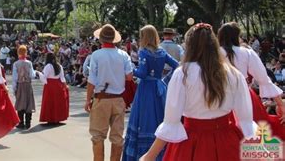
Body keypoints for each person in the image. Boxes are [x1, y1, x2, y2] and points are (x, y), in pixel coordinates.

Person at [139, 23, 256, 161]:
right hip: (227, 141)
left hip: (191, 143)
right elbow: (246, 121)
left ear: (190, 46)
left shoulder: (183, 74)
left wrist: (149, 156)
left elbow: (171, 122)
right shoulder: (233, 74)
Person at [218, 22, 285, 139]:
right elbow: (264, 80)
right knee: (255, 134)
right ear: (236, 36)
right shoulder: (246, 53)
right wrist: (280, 104)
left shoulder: (213, 54)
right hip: (244, 96)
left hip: (218, 97)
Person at [123, 25, 179, 161]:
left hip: (146, 90)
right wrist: (164, 79)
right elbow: (177, 65)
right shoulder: (161, 52)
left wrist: (131, 70)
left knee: (144, 119)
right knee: (160, 118)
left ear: (145, 37)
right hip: (159, 89)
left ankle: (145, 155)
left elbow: (142, 73)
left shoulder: (144, 52)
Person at [85, 24, 133, 161]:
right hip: (118, 99)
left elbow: (91, 80)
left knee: (98, 136)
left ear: (101, 39)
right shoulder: (124, 55)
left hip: (101, 99)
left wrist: (88, 100)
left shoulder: (96, 55)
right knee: (117, 137)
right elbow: (129, 76)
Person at [39, 52, 69, 124]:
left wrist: (39, 73)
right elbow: (62, 77)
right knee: (57, 102)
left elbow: (44, 77)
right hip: (58, 84)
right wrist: (65, 85)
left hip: (49, 85)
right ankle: (57, 118)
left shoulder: (48, 66)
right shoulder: (59, 66)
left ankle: (50, 119)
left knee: (49, 102)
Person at [12, 45, 37, 129]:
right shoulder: (29, 63)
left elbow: (14, 78)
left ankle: (21, 123)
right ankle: (28, 123)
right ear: (26, 52)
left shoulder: (16, 64)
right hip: (28, 85)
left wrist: (14, 88)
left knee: (20, 104)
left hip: (20, 85)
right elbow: (32, 75)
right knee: (28, 103)